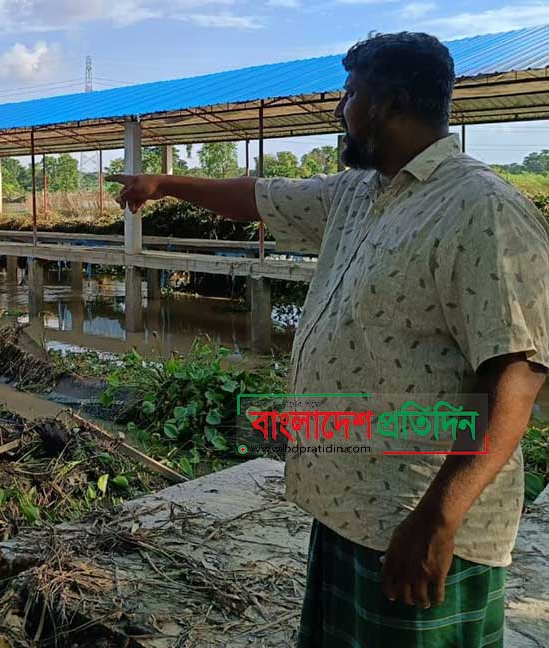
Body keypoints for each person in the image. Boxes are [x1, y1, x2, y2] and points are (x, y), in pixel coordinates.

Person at [108, 32, 549, 647]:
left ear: (390, 104)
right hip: (353, 502)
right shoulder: (361, 193)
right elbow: (260, 198)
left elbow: (515, 375)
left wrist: (438, 521)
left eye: (350, 95)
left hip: (417, 517)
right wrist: (165, 184)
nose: (339, 111)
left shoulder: (482, 210)